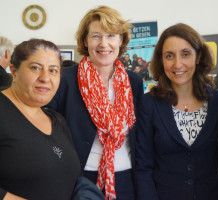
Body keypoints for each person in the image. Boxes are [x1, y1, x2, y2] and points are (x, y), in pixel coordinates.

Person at [47, 6, 144, 200]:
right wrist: (59, 159)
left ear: (121, 40)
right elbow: (46, 132)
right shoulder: (65, 79)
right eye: (96, 36)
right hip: (80, 179)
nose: (104, 43)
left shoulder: (133, 81)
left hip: (127, 179)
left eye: (111, 35)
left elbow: (139, 132)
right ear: (85, 40)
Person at [0, 39, 104, 200]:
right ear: (14, 70)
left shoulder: (56, 119)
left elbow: (74, 178)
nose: (45, 78)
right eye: (35, 68)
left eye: (53, 70)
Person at [135, 23, 218, 200]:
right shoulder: (149, 104)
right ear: (161, 60)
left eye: (185, 54)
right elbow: (143, 167)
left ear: (198, 56)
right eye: (169, 56)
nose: (178, 64)